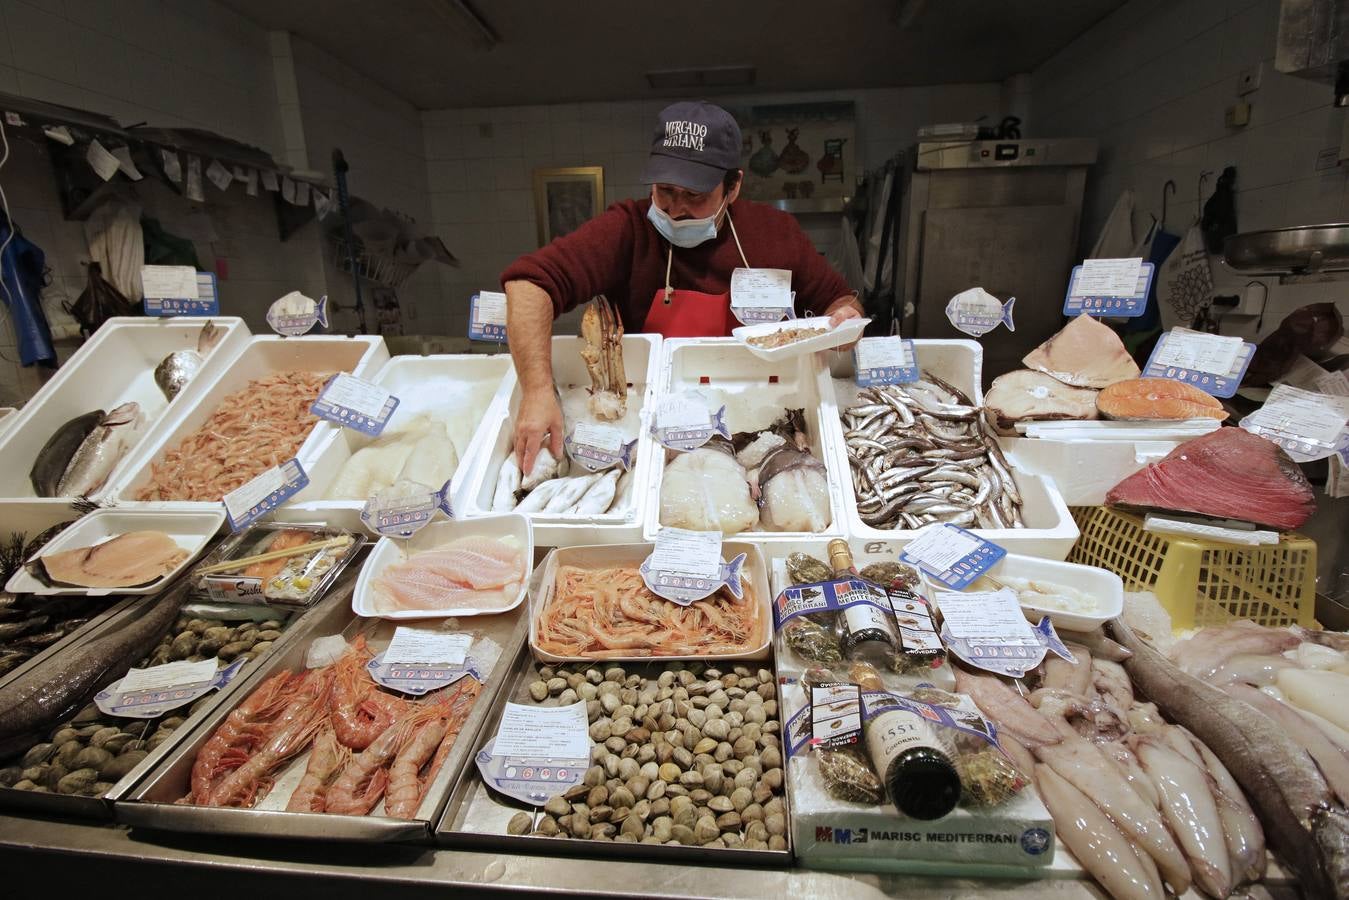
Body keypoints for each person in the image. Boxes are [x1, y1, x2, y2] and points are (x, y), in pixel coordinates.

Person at [501, 100, 863, 472]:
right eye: (665, 191)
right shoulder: (627, 229)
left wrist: (844, 323)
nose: (675, 209)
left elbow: (840, 301)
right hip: (660, 422)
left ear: (733, 187)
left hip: (760, 407)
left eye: (695, 195)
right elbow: (529, 283)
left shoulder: (776, 233)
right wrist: (538, 389)